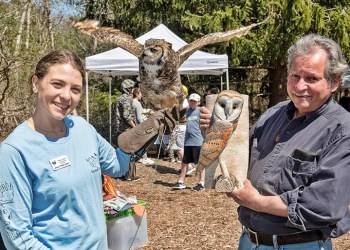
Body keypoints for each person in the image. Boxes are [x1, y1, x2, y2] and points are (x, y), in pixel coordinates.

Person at [200, 34, 350, 249]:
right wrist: (216, 132)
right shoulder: (274, 113)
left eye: (312, 78)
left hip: (300, 245)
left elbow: (324, 206)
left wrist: (256, 203)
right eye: (295, 76)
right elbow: (239, 158)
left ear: (334, 82)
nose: (299, 87)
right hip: (250, 241)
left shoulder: (342, 130)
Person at [0, 50, 132, 249]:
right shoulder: (15, 150)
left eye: (75, 89)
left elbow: (117, 166)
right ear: (36, 83)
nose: (66, 96)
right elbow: (17, 237)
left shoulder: (82, 127)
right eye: (57, 84)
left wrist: (141, 134)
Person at [173, 93, 205, 191]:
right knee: (184, 162)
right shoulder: (187, 112)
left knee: (200, 164)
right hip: (187, 142)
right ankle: (181, 181)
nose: (192, 102)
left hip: (198, 142)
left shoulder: (201, 111)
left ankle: (201, 183)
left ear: (198, 102)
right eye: (191, 100)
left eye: (194, 101)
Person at [112, 78, 138, 180]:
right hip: (126, 130)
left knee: (121, 152)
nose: (133, 89)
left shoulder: (119, 98)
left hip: (119, 129)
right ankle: (128, 175)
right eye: (131, 87)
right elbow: (127, 116)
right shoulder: (126, 99)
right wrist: (135, 128)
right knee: (129, 152)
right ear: (128, 88)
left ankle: (122, 173)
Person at [132, 88, 155, 165]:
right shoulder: (137, 103)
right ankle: (144, 158)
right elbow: (139, 117)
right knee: (144, 142)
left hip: (134, 126)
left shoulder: (132, 102)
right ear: (137, 94)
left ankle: (139, 157)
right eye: (140, 94)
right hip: (140, 126)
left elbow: (141, 111)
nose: (141, 95)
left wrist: (148, 111)